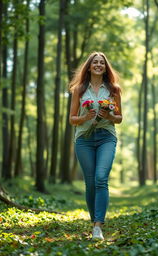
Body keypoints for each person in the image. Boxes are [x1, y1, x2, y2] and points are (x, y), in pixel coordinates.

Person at [69, 51, 122, 240]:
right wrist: (84, 117)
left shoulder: (114, 89)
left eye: (102, 62)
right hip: (84, 139)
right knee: (90, 183)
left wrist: (109, 116)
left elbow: (119, 118)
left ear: (105, 67)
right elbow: (72, 119)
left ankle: (98, 226)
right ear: (89, 66)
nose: (98, 65)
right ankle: (94, 222)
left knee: (101, 178)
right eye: (95, 62)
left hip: (106, 137)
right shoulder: (80, 90)